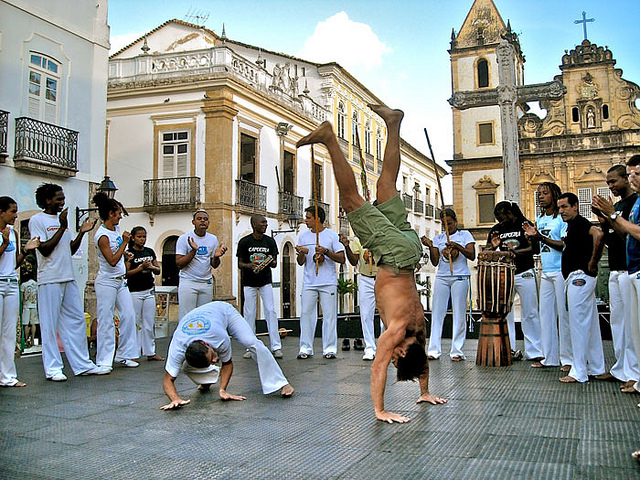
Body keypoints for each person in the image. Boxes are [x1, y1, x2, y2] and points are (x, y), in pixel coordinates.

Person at [296, 104, 446, 423]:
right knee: (351, 199)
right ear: (402, 352)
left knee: (385, 185)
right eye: (397, 359)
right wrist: (380, 409)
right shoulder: (401, 331)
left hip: (409, 247)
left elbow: (421, 363)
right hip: (393, 255)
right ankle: (329, 139)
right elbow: (378, 366)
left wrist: (424, 392)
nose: (392, 359)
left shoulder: (419, 333)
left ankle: (393, 124)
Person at [28, 184, 110, 381]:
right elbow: (45, 250)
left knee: (76, 321)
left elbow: (69, 250)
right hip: (49, 279)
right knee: (49, 325)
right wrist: (63, 227)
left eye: (63, 198)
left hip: (68, 277)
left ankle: (82, 365)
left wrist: (81, 233)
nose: (63, 202)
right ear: (47, 200)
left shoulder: (61, 220)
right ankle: (53, 369)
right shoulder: (37, 220)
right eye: (59, 199)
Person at [160, 301, 293, 410]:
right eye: (212, 361)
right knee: (183, 367)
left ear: (205, 343)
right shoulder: (177, 346)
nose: (216, 359)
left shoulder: (220, 338)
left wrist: (223, 390)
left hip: (225, 312)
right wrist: (175, 399)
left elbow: (227, 363)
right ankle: (206, 383)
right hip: (198, 317)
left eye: (212, 356)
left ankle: (282, 383)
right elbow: (168, 379)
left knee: (252, 343)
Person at [593, 155, 640, 394]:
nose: (610, 186)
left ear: (626, 179)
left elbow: (628, 236)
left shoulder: (633, 203)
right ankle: (620, 367)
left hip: (629, 267)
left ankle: (634, 373)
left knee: (632, 326)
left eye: (614, 181)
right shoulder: (619, 206)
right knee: (618, 323)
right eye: (608, 182)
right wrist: (605, 220)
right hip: (615, 267)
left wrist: (612, 216)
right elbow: (613, 236)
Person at [556, 192, 606, 383]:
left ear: (575, 206)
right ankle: (596, 367)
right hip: (577, 278)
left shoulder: (580, 222)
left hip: (580, 277)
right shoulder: (571, 226)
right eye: (560, 207)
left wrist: (593, 262)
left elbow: (599, 235)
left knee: (577, 324)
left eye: (565, 207)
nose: (561, 211)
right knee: (590, 324)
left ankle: (578, 371)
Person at [487, 201, 543, 361]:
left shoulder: (525, 225)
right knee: (506, 313)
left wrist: (515, 253)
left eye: (502, 217)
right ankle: (509, 349)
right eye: (497, 218)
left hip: (525, 272)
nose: (500, 221)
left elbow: (535, 249)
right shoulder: (496, 230)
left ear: (511, 213)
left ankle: (534, 351)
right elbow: (488, 251)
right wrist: (494, 247)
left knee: (530, 312)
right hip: (505, 274)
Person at [523, 183, 571, 370]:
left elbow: (563, 245)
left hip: (560, 270)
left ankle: (567, 358)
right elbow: (537, 248)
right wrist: (531, 238)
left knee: (563, 316)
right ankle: (549, 356)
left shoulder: (561, 219)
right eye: (539, 194)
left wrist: (540, 237)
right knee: (546, 315)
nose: (541, 197)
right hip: (545, 270)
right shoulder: (540, 219)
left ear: (555, 195)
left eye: (545, 193)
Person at [92, 193, 139, 370]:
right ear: (111, 214)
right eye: (118, 213)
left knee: (128, 315)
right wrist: (125, 244)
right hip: (107, 282)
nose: (120, 216)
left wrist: (124, 253)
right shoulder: (102, 235)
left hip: (120, 281)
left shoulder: (115, 231)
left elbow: (117, 255)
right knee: (106, 320)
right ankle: (103, 360)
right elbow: (111, 260)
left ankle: (124, 354)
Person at [422, 209, 475, 362]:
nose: (448, 227)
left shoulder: (465, 235)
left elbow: (472, 255)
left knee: (459, 313)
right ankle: (433, 350)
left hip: (460, 276)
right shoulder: (438, 238)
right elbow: (434, 262)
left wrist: (457, 246)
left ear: (455, 221)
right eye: (445, 224)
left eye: (450, 223)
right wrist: (431, 246)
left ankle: (457, 351)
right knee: (437, 313)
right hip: (442, 277)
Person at [295, 205, 345, 359]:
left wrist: (326, 252)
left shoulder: (331, 236)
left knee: (329, 316)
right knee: (306, 314)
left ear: (318, 219)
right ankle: (305, 348)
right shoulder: (303, 237)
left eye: (309, 218)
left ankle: (329, 349)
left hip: (328, 281)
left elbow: (341, 258)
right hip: (309, 281)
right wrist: (302, 253)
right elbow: (300, 262)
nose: (306, 220)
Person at [0, 197, 39, 387]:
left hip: (11, 283)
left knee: (9, 333)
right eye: (12, 211)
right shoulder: (6, 235)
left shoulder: (14, 233)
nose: (16, 216)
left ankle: (7, 376)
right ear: (1, 212)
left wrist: (25, 250)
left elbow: (14, 263)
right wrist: (4, 243)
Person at [237, 214, 282, 359]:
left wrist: (269, 262)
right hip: (249, 282)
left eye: (266, 222)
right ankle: (250, 347)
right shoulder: (244, 242)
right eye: (263, 222)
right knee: (249, 314)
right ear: (254, 224)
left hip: (265, 281)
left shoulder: (269, 241)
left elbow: (274, 263)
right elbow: (240, 263)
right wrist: (250, 265)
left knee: (270, 311)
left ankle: (276, 346)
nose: (265, 225)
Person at [176, 210, 227, 319]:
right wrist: (193, 251)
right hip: (188, 281)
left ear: (208, 223)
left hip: (206, 282)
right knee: (187, 315)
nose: (203, 221)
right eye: (199, 219)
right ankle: (186, 336)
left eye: (205, 219)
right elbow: (179, 263)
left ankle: (202, 336)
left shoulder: (213, 239)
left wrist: (217, 256)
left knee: (205, 315)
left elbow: (214, 265)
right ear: (193, 222)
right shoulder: (184, 238)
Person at [125, 226, 163, 362]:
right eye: (139, 237)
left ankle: (150, 351)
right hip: (134, 291)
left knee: (149, 322)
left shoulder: (150, 251)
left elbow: (157, 270)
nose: (142, 239)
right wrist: (140, 268)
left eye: (144, 237)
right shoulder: (129, 253)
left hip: (149, 290)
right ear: (133, 238)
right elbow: (126, 273)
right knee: (135, 322)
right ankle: (133, 352)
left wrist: (151, 267)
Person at [340, 233, 376, 360]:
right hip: (366, 278)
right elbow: (354, 260)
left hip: (383, 277)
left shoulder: (384, 235)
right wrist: (346, 246)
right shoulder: (358, 239)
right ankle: (370, 347)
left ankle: (384, 346)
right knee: (366, 315)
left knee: (385, 315)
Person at [20, 271, 39, 348]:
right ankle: (33, 338)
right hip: (34, 305)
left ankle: (26, 338)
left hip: (26, 306)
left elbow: (21, 297)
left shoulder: (23, 285)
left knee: (26, 324)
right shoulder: (36, 284)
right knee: (33, 323)